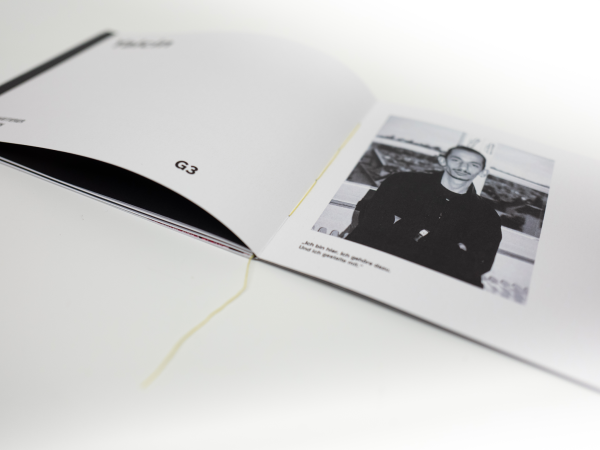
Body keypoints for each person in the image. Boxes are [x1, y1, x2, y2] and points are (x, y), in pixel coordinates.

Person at [344, 146, 502, 287]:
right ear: (442, 161)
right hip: (380, 263)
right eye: (456, 160)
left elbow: (480, 263)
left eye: (473, 165)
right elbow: (371, 227)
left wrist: (404, 226)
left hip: (431, 280)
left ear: (483, 172)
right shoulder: (402, 183)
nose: (463, 167)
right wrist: (451, 246)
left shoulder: (485, 214)